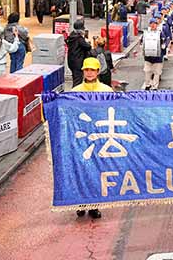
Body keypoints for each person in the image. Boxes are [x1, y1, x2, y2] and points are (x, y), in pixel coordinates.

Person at [72, 57, 112, 219]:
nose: (89, 73)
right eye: (86, 70)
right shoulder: (74, 92)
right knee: (81, 171)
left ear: (97, 71)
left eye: (92, 70)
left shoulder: (106, 91)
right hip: (81, 138)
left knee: (97, 172)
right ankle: (81, 203)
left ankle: (94, 205)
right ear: (83, 71)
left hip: (100, 137)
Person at [66, 20, 92, 87]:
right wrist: (87, 42)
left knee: (75, 78)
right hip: (78, 62)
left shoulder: (72, 36)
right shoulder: (79, 38)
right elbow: (88, 47)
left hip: (71, 61)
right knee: (77, 81)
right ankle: (75, 94)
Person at [143, 18, 166, 90]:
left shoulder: (160, 33)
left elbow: (164, 42)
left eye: (155, 23)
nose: (153, 25)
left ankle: (155, 86)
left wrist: (163, 49)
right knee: (147, 71)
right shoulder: (146, 33)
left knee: (157, 72)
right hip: (148, 56)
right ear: (149, 24)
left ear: (157, 25)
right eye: (151, 23)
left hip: (158, 57)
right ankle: (147, 84)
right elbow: (142, 42)